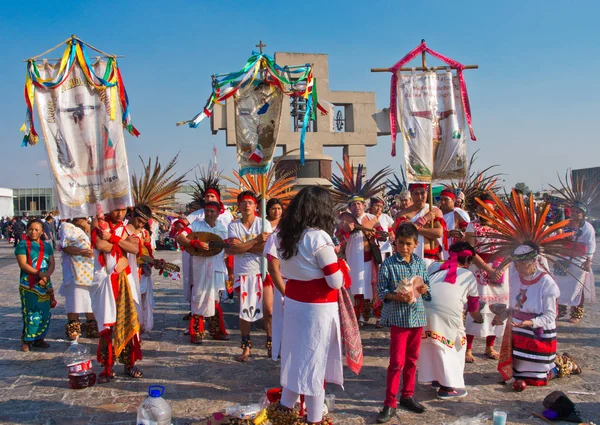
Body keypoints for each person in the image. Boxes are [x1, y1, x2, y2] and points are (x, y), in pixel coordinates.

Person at [268, 186, 345, 425]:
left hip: (293, 304)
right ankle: (313, 420)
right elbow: (335, 280)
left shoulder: (283, 234)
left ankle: (284, 410)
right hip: (317, 309)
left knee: (295, 359)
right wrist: (341, 265)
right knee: (314, 364)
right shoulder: (318, 237)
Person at [498, 244, 581, 385]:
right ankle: (557, 363)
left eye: (523, 264)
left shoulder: (546, 283)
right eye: (516, 264)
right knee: (517, 375)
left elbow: (549, 316)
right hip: (518, 334)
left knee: (536, 380)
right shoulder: (514, 278)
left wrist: (530, 323)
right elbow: (514, 305)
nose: (519, 268)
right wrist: (502, 314)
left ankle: (566, 365)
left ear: (534, 262)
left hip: (538, 334)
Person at [377, 223, 430, 423]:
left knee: (412, 360)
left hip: (417, 317)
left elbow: (427, 289)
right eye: (401, 243)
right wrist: (397, 297)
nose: (404, 247)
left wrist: (424, 290)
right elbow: (382, 292)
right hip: (399, 319)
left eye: (408, 244)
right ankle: (390, 402)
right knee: (396, 362)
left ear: (416, 244)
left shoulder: (420, 263)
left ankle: (407, 395)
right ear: (395, 242)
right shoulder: (388, 264)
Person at [419, 242, 480, 399]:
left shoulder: (434, 267)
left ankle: (435, 378)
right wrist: (482, 320)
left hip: (424, 309)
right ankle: (448, 387)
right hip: (447, 313)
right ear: (467, 260)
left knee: (433, 342)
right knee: (456, 345)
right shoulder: (468, 275)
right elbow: (473, 308)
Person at [91, 208, 143, 382]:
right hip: (104, 279)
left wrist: (112, 239)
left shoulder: (128, 229)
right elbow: (99, 245)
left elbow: (134, 248)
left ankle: (129, 363)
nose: (119, 214)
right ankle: (108, 366)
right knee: (106, 325)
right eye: (116, 210)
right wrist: (121, 243)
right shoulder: (99, 224)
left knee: (128, 321)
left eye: (123, 210)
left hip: (125, 280)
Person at [226, 191, 272, 362]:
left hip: (263, 271)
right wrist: (255, 241)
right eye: (243, 202)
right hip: (243, 272)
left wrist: (244, 246)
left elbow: (265, 249)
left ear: (255, 206)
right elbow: (234, 249)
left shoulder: (263, 224)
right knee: (244, 311)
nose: (247, 205)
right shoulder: (234, 226)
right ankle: (246, 347)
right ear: (238, 206)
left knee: (269, 310)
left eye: (250, 202)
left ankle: (271, 344)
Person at [176, 201, 229, 344]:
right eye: (207, 211)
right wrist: (195, 244)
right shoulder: (195, 226)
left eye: (212, 211)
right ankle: (197, 332)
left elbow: (228, 248)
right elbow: (179, 237)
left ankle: (216, 331)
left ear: (218, 213)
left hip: (217, 267)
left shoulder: (224, 227)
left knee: (216, 299)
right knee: (199, 297)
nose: (209, 214)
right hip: (200, 267)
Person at [464, 193, 507, 363]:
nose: (484, 211)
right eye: (481, 208)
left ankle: (490, 346)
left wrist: (501, 269)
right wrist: (487, 269)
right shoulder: (472, 226)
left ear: (494, 208)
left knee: (498, 308)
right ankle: (468, 347)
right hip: (479, 270)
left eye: (487, 208)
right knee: (477, 307)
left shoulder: (503, 226)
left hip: (499, 272)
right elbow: (471, 251)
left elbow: (509, 251)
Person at [15, 219, 56, 352]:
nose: (33, 232)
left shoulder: (47, 246)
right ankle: (27, 339)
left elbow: (51, 263)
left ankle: (40, 338)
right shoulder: (22, 245)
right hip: (29, 284)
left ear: (42, 231)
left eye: (36, 230)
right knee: (31, 313)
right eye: (31, 229)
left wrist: (46, 275)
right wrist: (39, 273)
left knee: (44, 312)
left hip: (44, 284)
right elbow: (23, 264)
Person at [553, 203, 595, 323]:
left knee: (577, 288)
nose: (575, 214)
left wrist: (588, 261)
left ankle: (576, 312)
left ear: (583, 214)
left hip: (579, 260)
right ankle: (559, 310)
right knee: (559, 286)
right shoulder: (564, 224)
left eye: (578, 212)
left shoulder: (587, 227)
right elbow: (555, 236)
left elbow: (591, 244)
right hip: (562, 258)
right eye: (573, 211)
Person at [58, 217, 99, 340]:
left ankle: (91, 325)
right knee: (74, 300)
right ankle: (73, 327)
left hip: (89, 271)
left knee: (89, 300)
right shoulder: (67, 228)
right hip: (74, 271)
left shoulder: (89, 230)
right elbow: (66, 247)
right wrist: (82, 251)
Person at [394, 184, 444, 264]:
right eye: (416, 194)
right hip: (409, 259)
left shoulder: (434, 211)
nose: (420, 197)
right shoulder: (403, 214)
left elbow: (438, 233)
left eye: (422, 193)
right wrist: (424, 220)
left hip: (429, 260)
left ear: (427, 193)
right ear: (411, 194)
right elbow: (404, 233)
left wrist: (414, 227)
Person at [126, 206, 156, 334]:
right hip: (126, 269)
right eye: (139, 221)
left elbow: (148, 253)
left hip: (141, 270)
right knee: (129, 297)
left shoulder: (144, 233)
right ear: (131, 215)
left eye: (143, 223)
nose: (140, 225)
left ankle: (139, 324)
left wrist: (154, 262)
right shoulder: (123, 231)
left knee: (142, 297)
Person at [263, 197, 283, 357]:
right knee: (269, 310)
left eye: (279, 208)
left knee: (282, 309)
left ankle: (282, 341)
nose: (276, 211)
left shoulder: (286, 225)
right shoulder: (262, 224)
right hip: (264, 268)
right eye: (273, 208)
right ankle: (270, 340)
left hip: (282, 269)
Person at [438, 189, 470, 259]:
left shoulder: (459, 214)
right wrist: (446, 234)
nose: (442, 202)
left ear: (453, 200)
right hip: (438, 251)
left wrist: (460, 234)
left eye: (446, 199)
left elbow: (468, 233)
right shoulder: (436, 213)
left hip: (454, 252)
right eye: (441, 199)